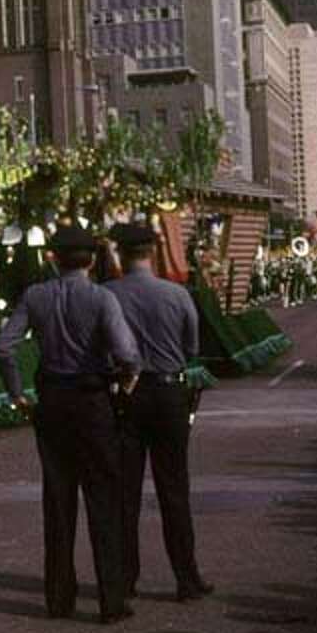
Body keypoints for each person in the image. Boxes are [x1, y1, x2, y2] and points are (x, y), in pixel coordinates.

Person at [0, 225, 141, 625]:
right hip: (93, 401)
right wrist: (126, 382)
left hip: (52, 401)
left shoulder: (35, 296)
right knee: (104, 499)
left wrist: (17, 394)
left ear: (52, 259)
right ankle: (111, 599)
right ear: (91, 260)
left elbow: (4, 346)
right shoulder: (101, 298)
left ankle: (59, 598)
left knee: (57, 500)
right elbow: (127, 353)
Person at [104, 223, 212, 602]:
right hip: (169, 393)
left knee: (124, 493)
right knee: (174, 489)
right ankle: (186, 578)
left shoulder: (108, 295)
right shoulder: (177, 293)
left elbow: (102, 348)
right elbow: (192, 347)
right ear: (152, 252)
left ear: (119, 252)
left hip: (126, 393)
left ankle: (125, 578)